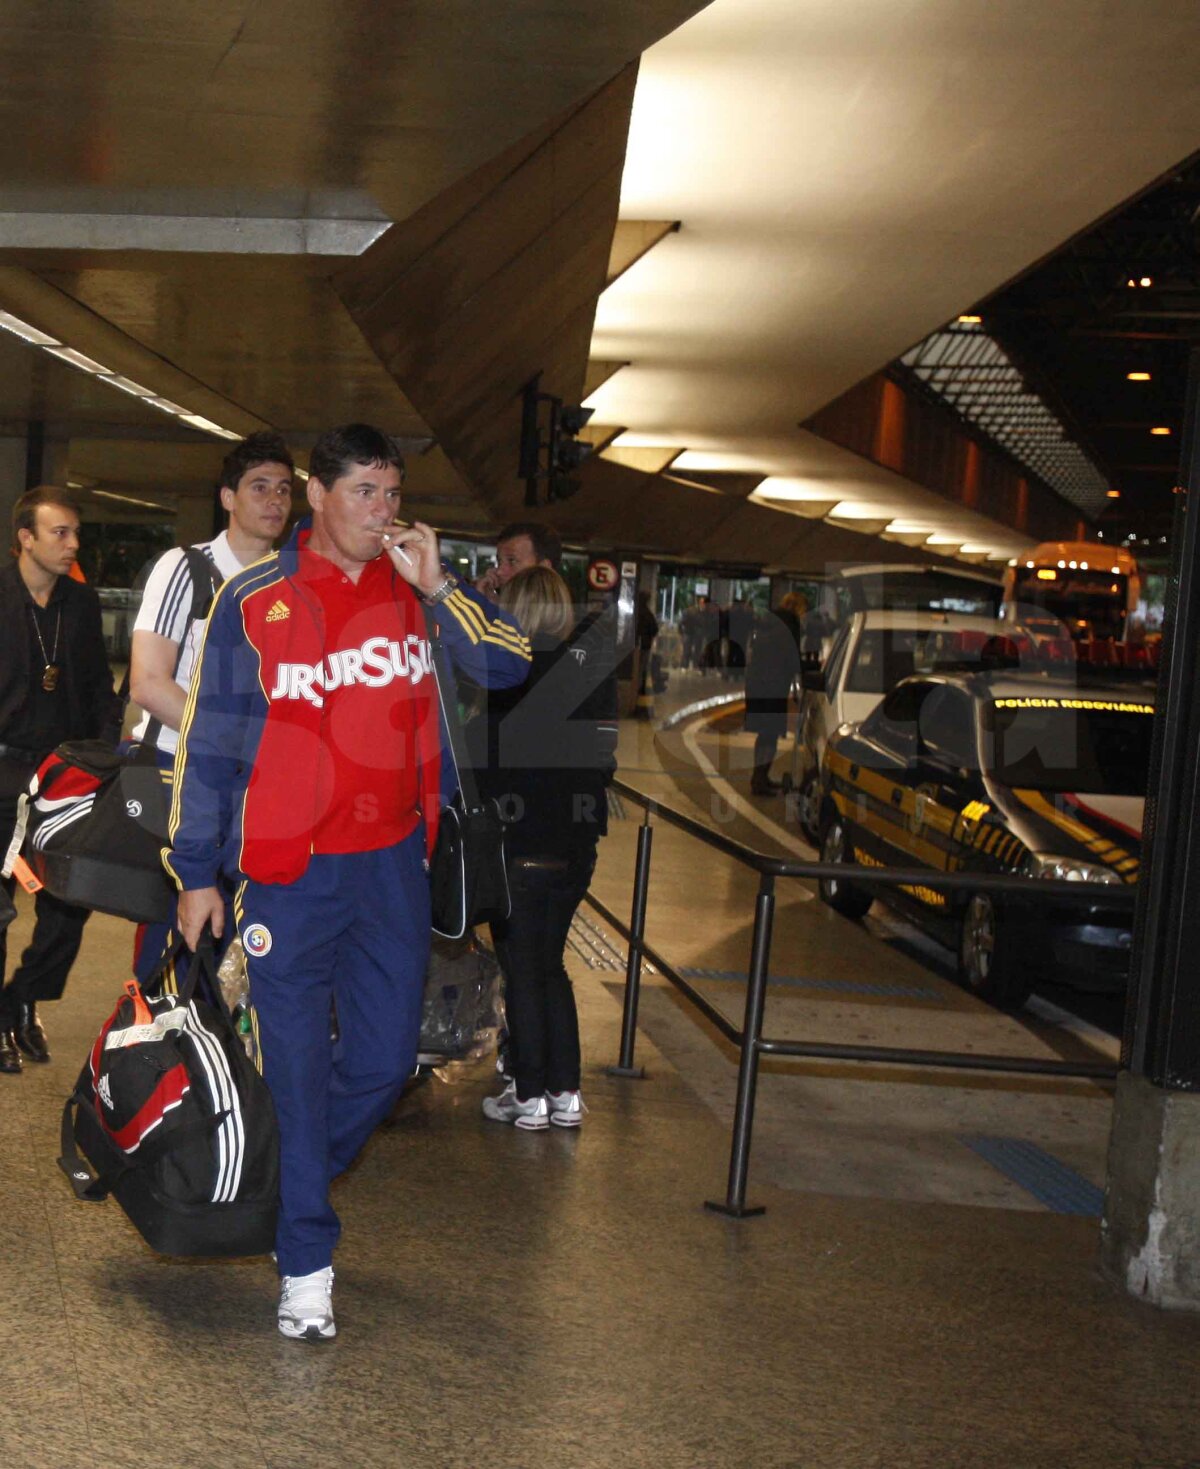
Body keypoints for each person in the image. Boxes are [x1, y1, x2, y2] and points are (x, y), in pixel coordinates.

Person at [167, 423, 530, 1342]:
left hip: (391, 871)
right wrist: (196, 870)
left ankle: (277, 1175)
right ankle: (305, 1263)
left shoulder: (418, 598)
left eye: (393, 493)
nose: (384, 512)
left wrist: (441, 586)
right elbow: (209, 746)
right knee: (294, 1069)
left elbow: (509, 664)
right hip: (289, 876)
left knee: (379, 1060)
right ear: (315, 496)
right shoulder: (253, 600)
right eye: (365, 491)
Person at [128, 431, 294, 984]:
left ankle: (216, 1063)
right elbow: (148, 683)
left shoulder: (289, 586)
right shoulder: (186, 568)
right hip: (178, 775)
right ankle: (149, 1053)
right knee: (170, 938)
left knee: (238, 943)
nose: (274, 500)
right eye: (259, 487)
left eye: (284, 490)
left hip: (255, 791)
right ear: (227, 498)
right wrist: (239, 743)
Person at [467, 566, 609, 1129]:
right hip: (576, 846)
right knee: (551, 965)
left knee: (521, 968)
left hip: (519, 844)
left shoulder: (507, 673)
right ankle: (566, 1092)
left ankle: (527, 1092)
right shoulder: (587, 675)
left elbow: (481, 761)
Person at [0, 487, 120, 1074]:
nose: (73, 543)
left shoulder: (79, 602)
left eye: (76, 532)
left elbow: (100, 687)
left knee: (70, 903)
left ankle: (20, 1000)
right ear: (25, 537)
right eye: (60, 533)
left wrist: (106, 754)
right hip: (1, 772)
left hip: (63, 777)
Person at [743, 593, 804, 796]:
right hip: (774, 684)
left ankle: (759, 777)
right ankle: (760, 780)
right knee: (770, 733)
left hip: (757, 682)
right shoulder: (790, 624)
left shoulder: (768, 621)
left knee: (764, 732)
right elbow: (792, 655)